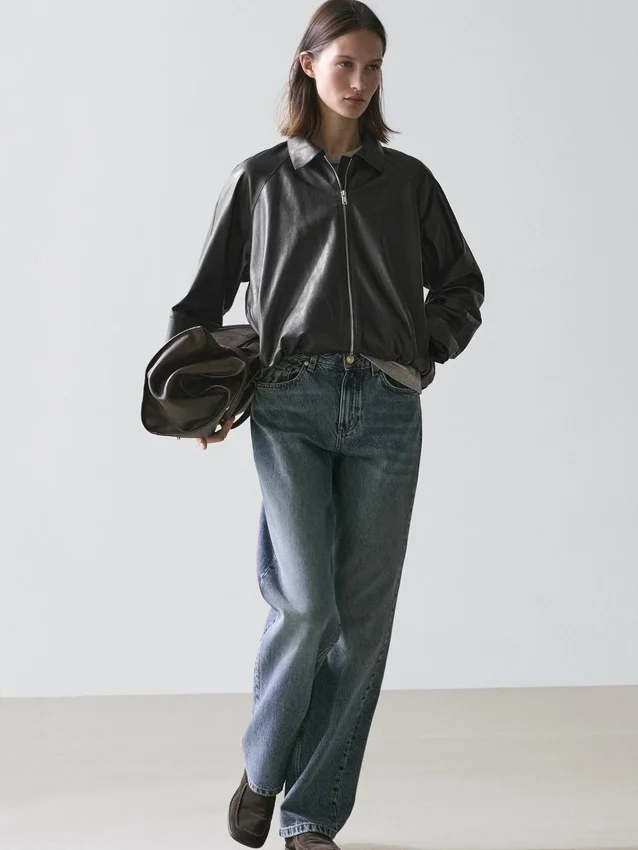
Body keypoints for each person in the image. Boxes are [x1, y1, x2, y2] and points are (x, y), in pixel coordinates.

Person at [165, 2, 485, 847]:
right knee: (308, 606)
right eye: (346, 63)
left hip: (387, 411)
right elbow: (199, 304)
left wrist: (420, 350)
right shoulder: (260, 180)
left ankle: (312, 817)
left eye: (374, 66)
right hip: (291, 405)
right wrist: (201, 405)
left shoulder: (408, 183)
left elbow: (463, 286)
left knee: (363, 624)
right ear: (308, 65)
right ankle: (263, 764)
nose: (361, 81)